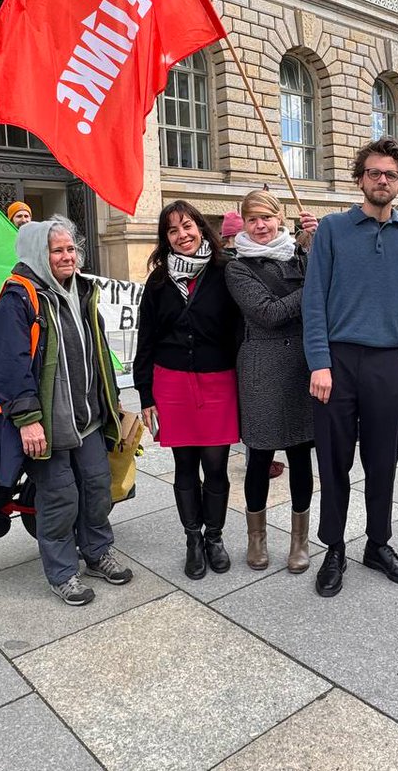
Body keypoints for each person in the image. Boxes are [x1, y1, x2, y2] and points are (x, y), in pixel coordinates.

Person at [303, 137, 398, 598]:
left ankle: (378, 543)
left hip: (387, 366)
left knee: (382, 462)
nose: (382, 180)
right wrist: (319, 361)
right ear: (360, 178)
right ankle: (333, 546)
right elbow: (314, 300)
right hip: (335, 363)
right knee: (333, 462)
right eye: (374, 172)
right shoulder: (333, 230)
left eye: (391, 175)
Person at [0, 216, 132, 606]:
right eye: (58, 251)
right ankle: (63, 572)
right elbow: (8, 367)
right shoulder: (17, 301)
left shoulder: (81, 292)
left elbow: (99, 353)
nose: (68, 257)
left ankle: (97, 552)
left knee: (98, 488)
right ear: (38, 254)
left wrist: (110, 397)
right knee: (60, 499)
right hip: (48, 425)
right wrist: (28, 420)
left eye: (71, 249)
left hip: (87, 418)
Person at [135, 200, 242, 580]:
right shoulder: (159, 281)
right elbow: (145, 339)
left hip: (218, 382)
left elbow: (242, 327)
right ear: (165, 239)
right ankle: (193, 539)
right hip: (172, 383)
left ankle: (215, 537)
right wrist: (145, 395)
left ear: (201, 227)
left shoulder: (225, 270)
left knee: (215, 464)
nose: (182, 235)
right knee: (184, 465)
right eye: (173, 230)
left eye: (188, 226)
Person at [225, 190, 319, 573]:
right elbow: (267, 312)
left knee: (300, 454)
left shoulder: (300, 255)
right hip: (260, 365)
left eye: (266, 217)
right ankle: (257, 538)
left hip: (301, 364)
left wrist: (318, 249)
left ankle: (300, 540)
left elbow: (329, 290)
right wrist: (311, 287)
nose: (260, 226)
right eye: (252, 220)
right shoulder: (236, 266)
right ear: (244, 224)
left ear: (280, 218)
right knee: (260, 455)